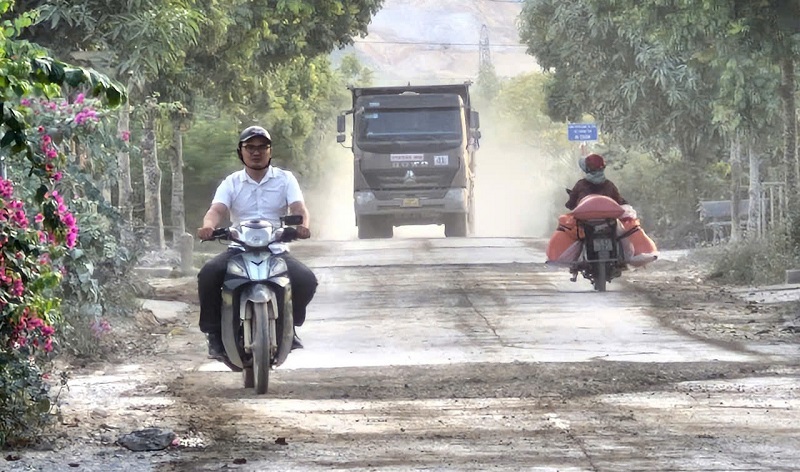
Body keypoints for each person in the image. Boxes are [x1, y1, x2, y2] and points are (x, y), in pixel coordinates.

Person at [196, 125, 318, 360]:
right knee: (208, 275)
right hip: (239, 248)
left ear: (270, 151)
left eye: (262, 147)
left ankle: (289, 327)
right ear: (240, 152)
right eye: (250, 147)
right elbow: (217, 209)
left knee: (306, 280)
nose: (256, 152)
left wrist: (302, 225)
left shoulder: (285, 179)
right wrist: (209, 226)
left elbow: (298, 208)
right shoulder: (231, 182)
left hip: (275, 249)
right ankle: (214, 335)